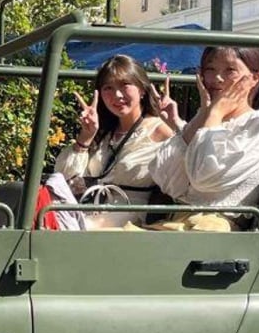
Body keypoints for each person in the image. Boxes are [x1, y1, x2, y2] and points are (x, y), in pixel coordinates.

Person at [148, 45, 259, 229]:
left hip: (217, 229)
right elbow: (165, 177)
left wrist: (215, 113)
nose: (217, 78)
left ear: (254, 78)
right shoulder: (208, 120)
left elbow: (205, 175)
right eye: (210, 70)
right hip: (182, 222)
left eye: (230, 70)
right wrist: (205, 113)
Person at [53, 55, 176, 227]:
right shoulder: (103, 132)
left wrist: (176, 124)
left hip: (130, 219)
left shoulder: (160, 130)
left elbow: (184, 173)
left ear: (142, 89)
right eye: (108, 88)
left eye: (125, 85)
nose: (117, 95)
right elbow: (65, 177)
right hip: (91, 208)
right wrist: (86, 136)